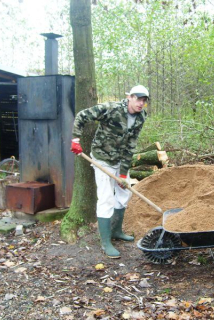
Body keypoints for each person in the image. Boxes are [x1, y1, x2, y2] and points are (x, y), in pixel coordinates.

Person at [70, 85, 149, 259]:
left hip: (121, 160)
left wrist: (123, 173)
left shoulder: (141, 116)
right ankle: (105, 242)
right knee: (106, 198)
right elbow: (82, 116)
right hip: (102, 160)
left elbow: (131, 145)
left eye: (144, 100)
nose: (141, 103)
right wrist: (76, 139)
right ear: (129, 97)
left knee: (123, 195)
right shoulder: (111, 109)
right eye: (138, 99)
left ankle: (117, 231)